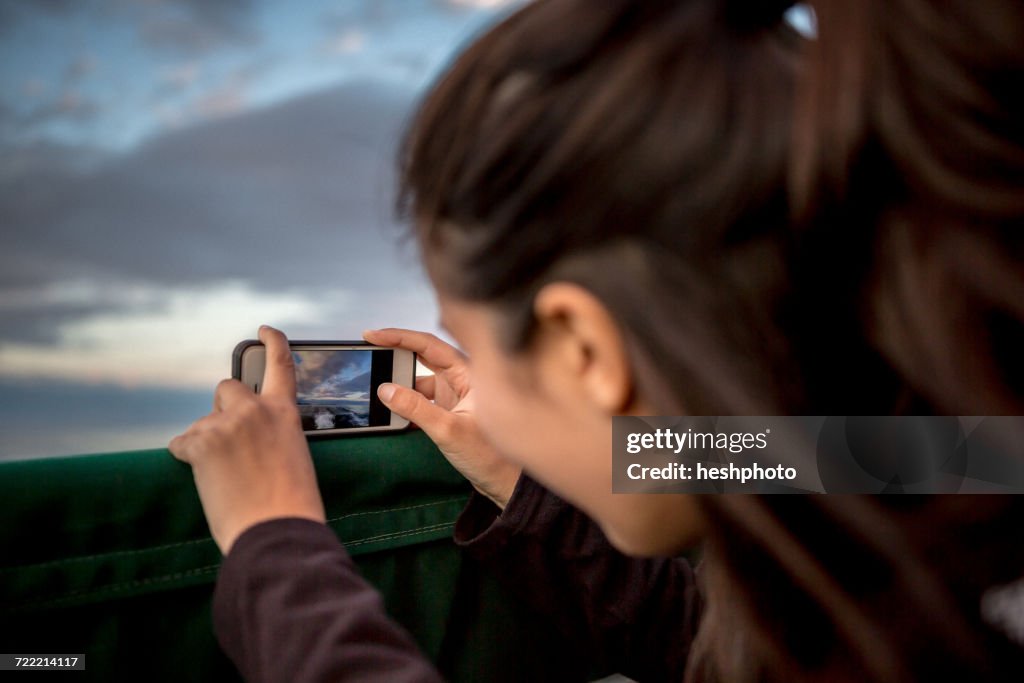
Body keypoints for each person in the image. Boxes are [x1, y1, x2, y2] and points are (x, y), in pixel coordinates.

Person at [169, 0, 1024, 681]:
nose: (484, 395)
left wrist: (277, 545)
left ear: (585, 348)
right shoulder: (956, 462)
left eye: (469, 337)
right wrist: (520, 470)